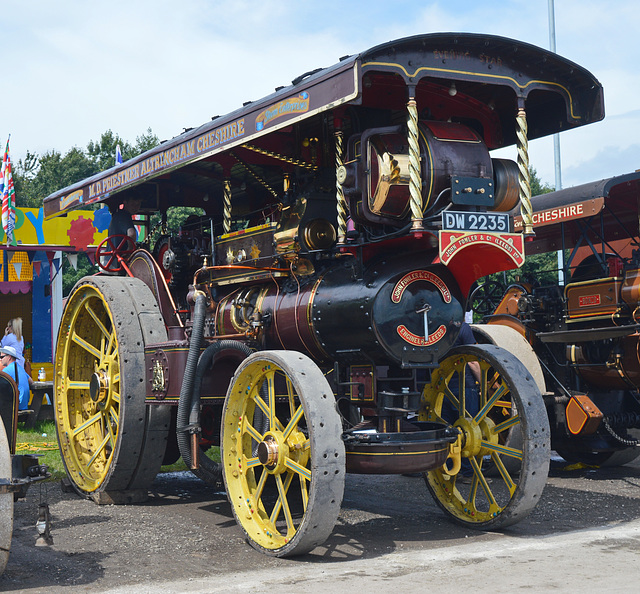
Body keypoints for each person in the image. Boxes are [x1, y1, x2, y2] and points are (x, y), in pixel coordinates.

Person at [0, 345, 31, 410]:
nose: (0, 359)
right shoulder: (20, 368)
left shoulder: (7, 370)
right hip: (23, 405)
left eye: (2, 357)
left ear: (9, 357)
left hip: (15, 406)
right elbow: (31, 381)